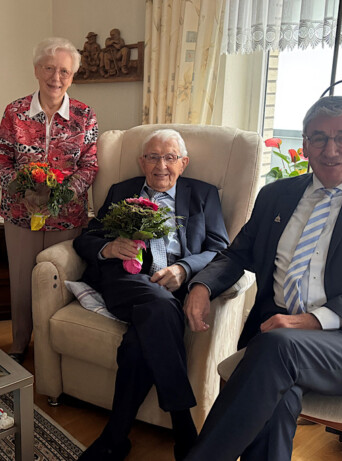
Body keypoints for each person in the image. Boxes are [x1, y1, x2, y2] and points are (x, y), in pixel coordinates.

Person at [182, 96, 342, 461]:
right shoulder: (276, 195)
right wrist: (202, 285)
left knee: (276, 351)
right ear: (304, 144)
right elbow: (237, 254)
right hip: (281, 339)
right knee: (275, 387)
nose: (330, 150)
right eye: (319, 138)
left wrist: (316, 320)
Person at [74, 129, 229, 461]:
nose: (161, 166)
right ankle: (184, 429)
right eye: (153, 157)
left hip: (172, 286)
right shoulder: (121, 191)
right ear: (141, 162)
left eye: (170, 157)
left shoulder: (203, 194)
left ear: (183, 163)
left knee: (138, 342)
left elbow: (220, 249)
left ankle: (115, 438)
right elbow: (86, 239)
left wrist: (184, 269)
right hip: (126, 279)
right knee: (159, 306)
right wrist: (109, 248)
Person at [0, 37, 98, 364]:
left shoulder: (84, 115)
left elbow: (90, 165)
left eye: (64, 71)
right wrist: (19, 188)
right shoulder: (15, 112)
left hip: (67, 217)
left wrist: (65, 194)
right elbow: (1, 159)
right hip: (20, 215)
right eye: (49, 68)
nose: (56, 77)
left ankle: (54, 349)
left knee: (59, 282)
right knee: (22, 282)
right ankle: (19, 344)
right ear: (37, 70)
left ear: (72, 76)